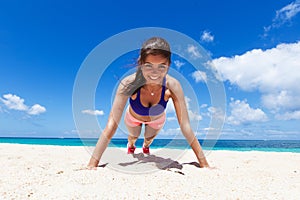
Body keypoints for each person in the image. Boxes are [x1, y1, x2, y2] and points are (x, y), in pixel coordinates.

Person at [87, 37, 211, 169]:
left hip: (156, 119)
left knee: (148, 139)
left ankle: (146, 146)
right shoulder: (129, 83)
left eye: (161, 66)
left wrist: (204, 164)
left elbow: (185, 126)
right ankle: (132, 145)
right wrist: (92, 163)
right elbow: (111, 125)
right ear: (141, 64)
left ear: (168, 64)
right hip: (133, 117)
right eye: (149, 66)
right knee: (133, 136)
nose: (155, 73)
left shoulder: (173, 86)